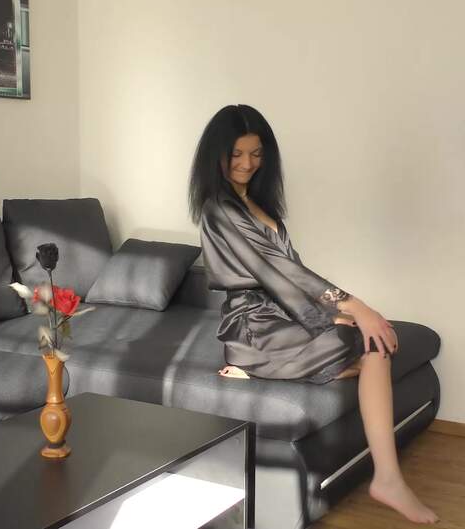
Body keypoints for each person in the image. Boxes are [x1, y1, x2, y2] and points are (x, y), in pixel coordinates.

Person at [188, 105, 438, 524]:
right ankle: (388, 478)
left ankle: (386, 477)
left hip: (279, 319)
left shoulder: (257, 205)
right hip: (253, 327)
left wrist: (327, 316)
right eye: (236, 154)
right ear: (217, 155)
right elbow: (282, 273)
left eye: (256, 153)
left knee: (373, 342)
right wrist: (355, 306)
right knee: (367, 341)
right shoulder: (220, 209)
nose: (247, 163)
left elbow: (289, 276)